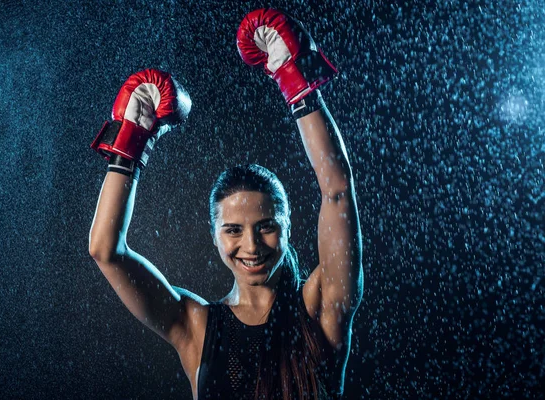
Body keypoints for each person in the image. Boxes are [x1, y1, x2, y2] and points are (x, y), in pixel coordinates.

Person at [89, 8, 363, 400]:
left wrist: (295, 80)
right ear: (214, 236)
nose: (251, 246)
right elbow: (105, 251)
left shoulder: (321, 306)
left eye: (266, 226)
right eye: (233, 230)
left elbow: (337, 190)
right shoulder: (196, 326)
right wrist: (128, 148)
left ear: (287, 226)